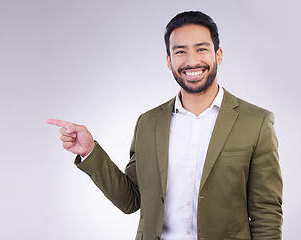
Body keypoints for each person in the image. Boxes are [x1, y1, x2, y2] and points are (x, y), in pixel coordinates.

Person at [47, 11, 282, 240]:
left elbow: (266, 211)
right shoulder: (148, 123)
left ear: (218, 55)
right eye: (180, 52)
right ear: (169, 61)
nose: (191, 61)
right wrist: (90, 152)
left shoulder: (256, 122)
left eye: (201, 49)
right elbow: (131, 200)